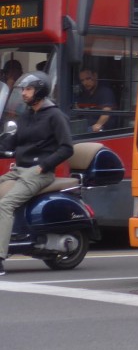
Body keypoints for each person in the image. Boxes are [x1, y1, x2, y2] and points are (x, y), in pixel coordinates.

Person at [0, 73, 74, 275]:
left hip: (40, 172)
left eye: (28, 89)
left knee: (6, 203)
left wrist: (43, 166)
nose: (23, 93)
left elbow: (67, 148)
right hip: (19, 170)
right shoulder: (26, 115)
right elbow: (11, 142)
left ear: (40, 91)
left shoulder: (55, 116)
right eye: (23, 89)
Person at [75, 68, 115, 133]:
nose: (85, 83)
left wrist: (98, 125)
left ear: (95, 76)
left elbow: (106, 113)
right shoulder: (85, 94)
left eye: (88, 79)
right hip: (85, 127)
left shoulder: (105, 92)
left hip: (102, 131)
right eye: (82, 80)